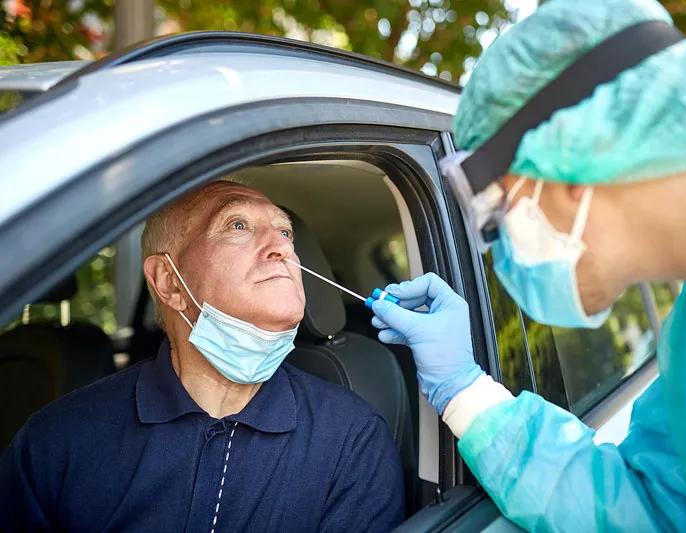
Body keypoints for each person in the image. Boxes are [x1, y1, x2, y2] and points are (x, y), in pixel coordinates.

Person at [370, 0, 686, 531]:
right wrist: (465, 388)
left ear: (570, 160)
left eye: (496, 212)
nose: (500, 250)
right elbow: (655, 514)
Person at [0, 181, 404, 531]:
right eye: (238, 225)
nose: (281, 246)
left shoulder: (352, 436)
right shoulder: (59, 441)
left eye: (285, 231)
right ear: (169, 283)